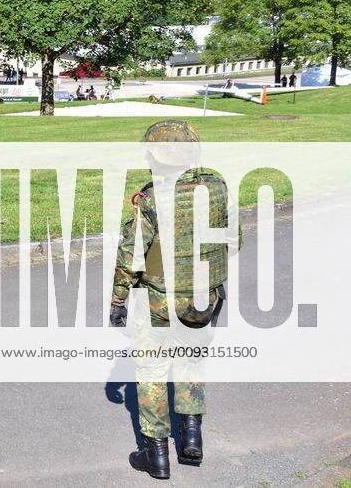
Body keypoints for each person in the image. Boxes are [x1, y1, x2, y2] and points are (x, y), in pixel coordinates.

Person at [110, 120, 234, 480]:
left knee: (151, 371)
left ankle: (156, 456)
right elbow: (233, 241)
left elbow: (130, 257)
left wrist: (118, 302)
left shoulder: (150, 199)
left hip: (158, 301)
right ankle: (191, 439)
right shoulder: (217, 188)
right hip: (201, 299)